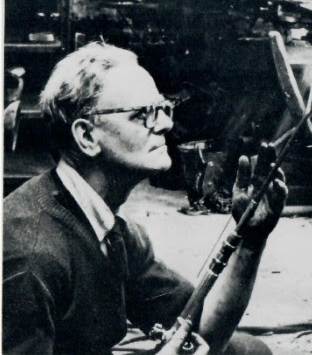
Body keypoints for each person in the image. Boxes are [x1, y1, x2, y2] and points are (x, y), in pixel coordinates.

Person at [3, 42, 288, 355]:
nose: (166, 124)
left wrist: (250, 241)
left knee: (248, 351)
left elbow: (202, 331)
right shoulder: (31, 257)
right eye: (143, 114)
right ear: (86, 136)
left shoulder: (112, 232)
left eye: (163, 108)